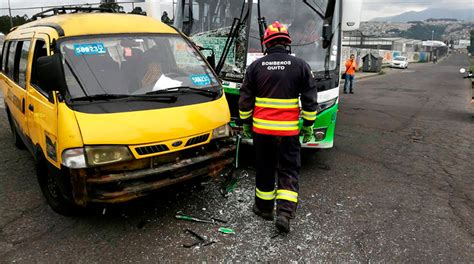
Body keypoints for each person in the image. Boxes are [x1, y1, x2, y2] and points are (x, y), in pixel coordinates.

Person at [238, 21, 318, 233]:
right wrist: (309, 125)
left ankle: (264, 209)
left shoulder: (255, 67)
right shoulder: (300, 65)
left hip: (262, 132)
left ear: (266, 44)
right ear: (287, 43)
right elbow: (310, 99)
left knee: (264, 168)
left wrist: (245, 123)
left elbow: (245, 100)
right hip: (288, 132)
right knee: (288, 169)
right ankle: (284, 213)